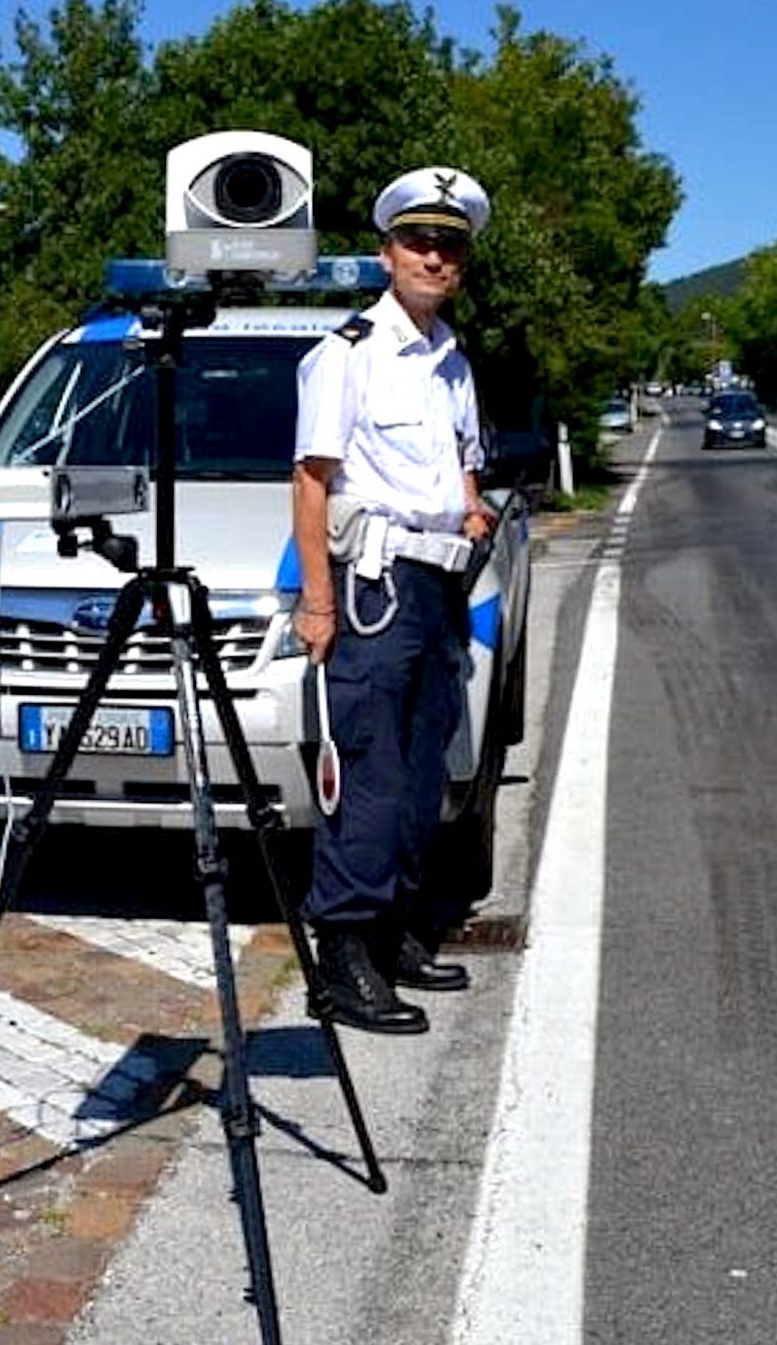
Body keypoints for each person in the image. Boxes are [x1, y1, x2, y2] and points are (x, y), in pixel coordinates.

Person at [289, 166, 497, 1035]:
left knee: (419, 777)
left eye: (449, 244)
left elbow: (463, 464)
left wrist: (476, 505)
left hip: (441, 582)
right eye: (419, 240)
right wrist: (317, 602)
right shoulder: (346, 353)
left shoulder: (452, 360)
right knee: (368, 778)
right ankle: (342, 957)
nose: (434, 255)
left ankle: (397, 932)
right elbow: (310, 480)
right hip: (374, 586)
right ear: (386, 253)